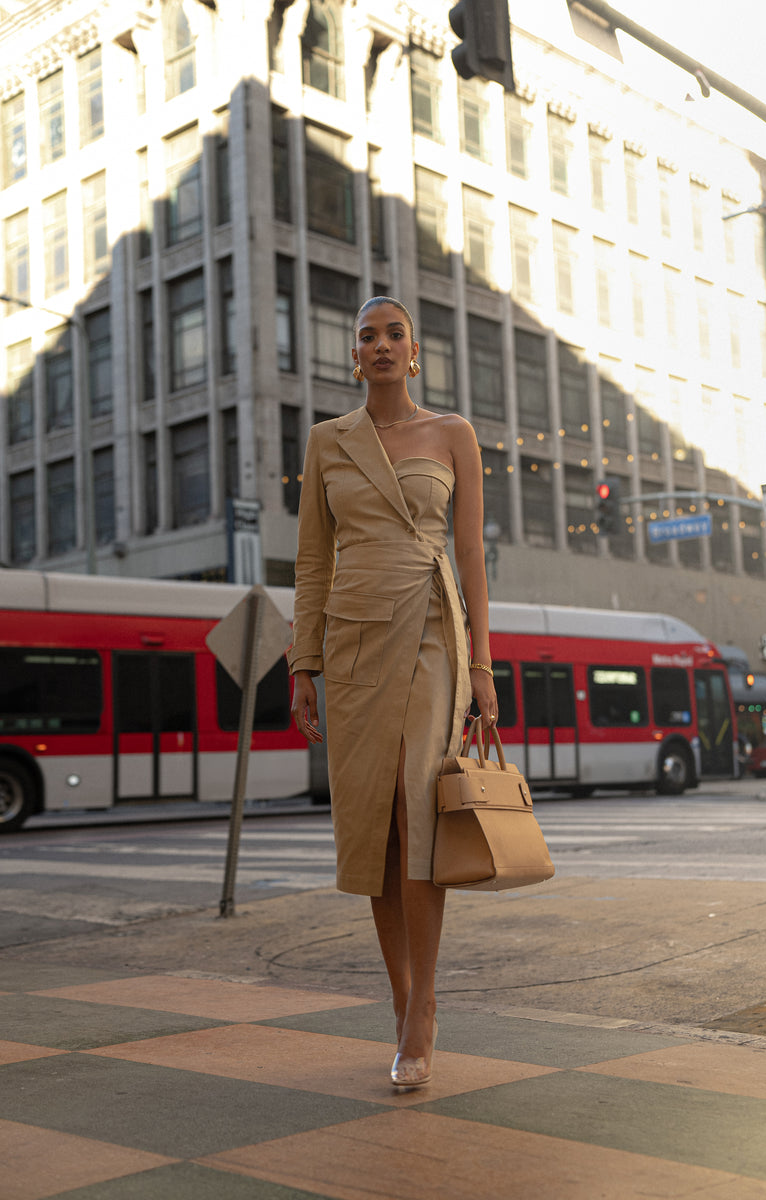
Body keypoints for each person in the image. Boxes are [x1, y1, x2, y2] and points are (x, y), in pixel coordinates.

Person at [288, 296, 497, 1088]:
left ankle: (425, 1007)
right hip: (352, 643)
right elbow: (312, 563)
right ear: (355, 356)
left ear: (415, 354)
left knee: (417, 810)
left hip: (434, 632)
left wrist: (482, 666)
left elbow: (472, 555)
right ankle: (401, 994)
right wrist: (304, 662)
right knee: (376, 827)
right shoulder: (327, 443)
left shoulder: (453, 435)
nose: (381, 344)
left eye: (395, 334)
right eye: (367, 335)